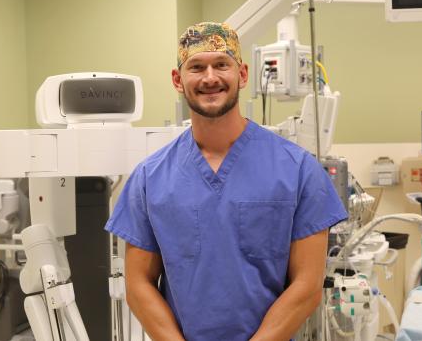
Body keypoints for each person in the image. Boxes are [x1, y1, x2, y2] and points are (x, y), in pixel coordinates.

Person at [105, 22, 347, 341]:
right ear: (178, 80)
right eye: (196, 67)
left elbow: (307, 286)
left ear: (242, 74)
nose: (210, 78)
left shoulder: (298, 170)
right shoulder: (150, 178)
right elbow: (138, 285)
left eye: (221, 65)